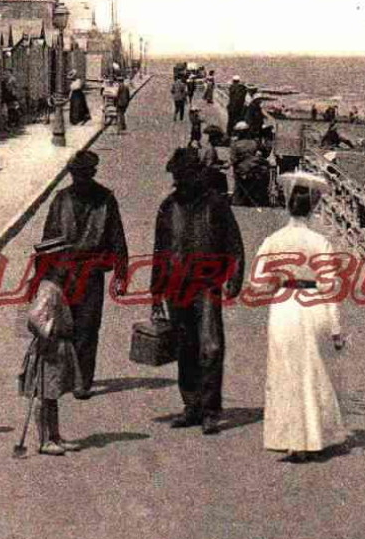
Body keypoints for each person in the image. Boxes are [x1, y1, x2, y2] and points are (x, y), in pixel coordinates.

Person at [152, 147, 245, 434]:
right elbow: (159, 252)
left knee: (211, 347)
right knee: (185, 347)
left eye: (183, 177)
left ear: (196, 175)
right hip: (176, 287)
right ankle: (191, 405)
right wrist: (156, 293)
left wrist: (234, 279)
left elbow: (234, 244)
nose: (179, 183)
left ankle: (210, 410)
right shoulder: (168, 207)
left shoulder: (215, 204)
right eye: (176, 178)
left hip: (206, 286)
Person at [255, 172, 347, 462]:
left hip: (284, 306)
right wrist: (336, 328)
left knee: (284, 371)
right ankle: (311, 437)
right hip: (313, 305)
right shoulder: (320, 242)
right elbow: (329, 286)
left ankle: (289, 438)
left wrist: (278, 280)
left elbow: (257, 281)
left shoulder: (274, 239)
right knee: (312, 370)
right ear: (314, 207)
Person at [41, 150, 130, 400]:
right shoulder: (61, 199)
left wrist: (121, 275)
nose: (79, 180)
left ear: (92, 174)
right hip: (62, 272)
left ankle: (83, 381)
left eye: (84, 175)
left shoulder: (105, 200)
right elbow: (48, 239)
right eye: (75, 176)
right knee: (60, 326)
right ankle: (63, 376)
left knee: (88, 327)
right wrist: (42, 277)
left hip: (91, 273)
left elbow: (117, 238)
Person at [20, 235, 84, 456]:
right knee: (43, 396)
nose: (70, 265)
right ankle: (44, 440)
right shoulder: (49, 290)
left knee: (52, 395)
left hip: (56, 349)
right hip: (50, 350)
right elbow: (34, 318)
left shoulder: (52, 286)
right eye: (65, 260)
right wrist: (49, 330)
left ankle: (54, 436)